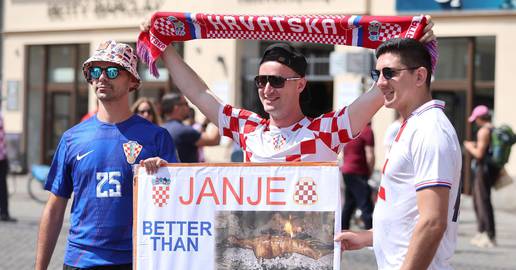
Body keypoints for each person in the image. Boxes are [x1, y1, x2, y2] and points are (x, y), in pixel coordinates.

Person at [139, 18, 434, 167]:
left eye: (277, 81)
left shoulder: (325, 131)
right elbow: (198, 92)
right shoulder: (248, 127)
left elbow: (380, 89)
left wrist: (412, 44)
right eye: (261, 80)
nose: (267, 89)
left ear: (300, 84)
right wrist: (164, 49)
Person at [27, 40, 178, 270]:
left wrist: (166, 176)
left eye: (112, 71)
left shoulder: (156, 138)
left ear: (132, 81)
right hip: (83, 263)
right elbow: (54, 208)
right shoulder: (72, 139)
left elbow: (179, 204)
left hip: (138, 264)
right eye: (95, 72)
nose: (102, 79)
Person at [335, 38, 462, 270]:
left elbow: (432, 222)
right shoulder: (413, 125)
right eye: (376, 73)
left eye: (389, 73)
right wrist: (367, 237)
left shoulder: (429, 130)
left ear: (420, 76)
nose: (380, 82)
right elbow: (406, 212)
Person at [463, 105, 498, 248]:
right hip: (489, 169)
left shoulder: (484, 131)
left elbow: (479, 154)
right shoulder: (493, 128)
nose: (475, 122)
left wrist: (469, 146)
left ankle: (488, 234)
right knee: (482, 200)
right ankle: (483, 231)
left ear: (479, 118)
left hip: (482, 169)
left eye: (475, 119)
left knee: (482, 201)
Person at [161, 93, 220, 163]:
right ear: (176, 108)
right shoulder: (183, 130)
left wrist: (205, 124)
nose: (188, 107)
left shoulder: (161, 128)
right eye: (185, 104)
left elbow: (195, 135)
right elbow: (213, 140)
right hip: (185, 173)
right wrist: (217, 114)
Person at [341, 122, 375, 230]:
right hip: (358, 171)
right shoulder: (367, 130)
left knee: (349, 204)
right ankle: (372, 235)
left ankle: (341, 231)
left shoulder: (350, 130)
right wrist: (370, 171)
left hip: (346, 170)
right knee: (366, 205)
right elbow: (370, 155)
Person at [0, 107, 16, 222]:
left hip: (2, 156)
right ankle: (4, 213)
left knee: (2, 187)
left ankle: (4, 212)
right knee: (2, 187)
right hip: (1, 157)